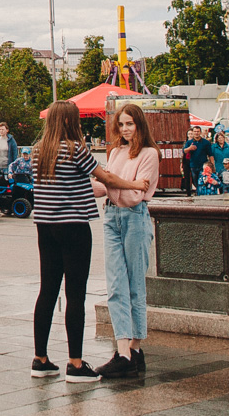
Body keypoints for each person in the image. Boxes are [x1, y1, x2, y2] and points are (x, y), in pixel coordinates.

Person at [29, 100, 151, 384]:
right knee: (75, 293)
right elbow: (105, 176)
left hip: (45, 227)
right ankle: (75, 363)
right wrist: (135, 185)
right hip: (73, 227)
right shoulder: (75, 149)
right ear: (70, 122)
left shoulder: (38, 152)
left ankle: (41, 359)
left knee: (47, 290)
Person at [95, 104, 161, 379]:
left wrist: (108, 181)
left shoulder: (149, 154)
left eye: (130, 124)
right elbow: (101, 188)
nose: (124, 129)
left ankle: (134, 348)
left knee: (135, 285)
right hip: (111, 216)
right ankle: (124, 351)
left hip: (135, 218)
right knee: (115, 286)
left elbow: (137, 195)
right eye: (121, 124)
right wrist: (119, 182)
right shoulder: (116, 152)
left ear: (140, 126)